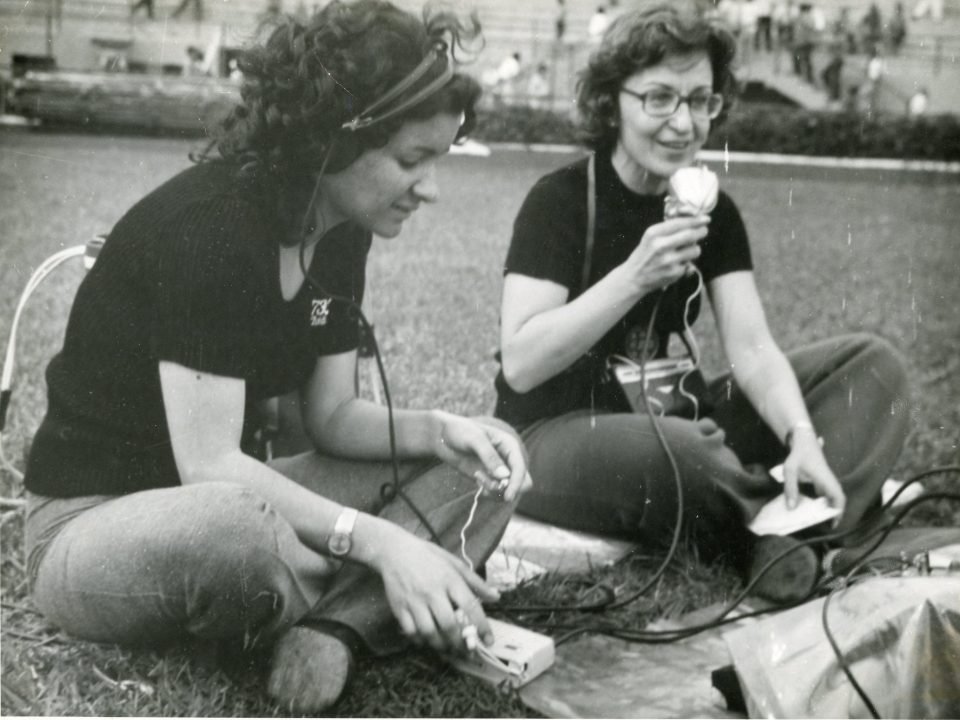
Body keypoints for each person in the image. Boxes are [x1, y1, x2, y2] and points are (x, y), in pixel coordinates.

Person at [22, 1, 531, 714]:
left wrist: (440, 430)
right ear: (332, 140)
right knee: (233, 533)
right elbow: (210, 467)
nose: (430, 189)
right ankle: (382, 588)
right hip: (98, 524)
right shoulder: (212, 229)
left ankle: (333, 625)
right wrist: (382, 543)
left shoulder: (342, 225)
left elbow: (331, 416)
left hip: (249, 496)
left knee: (487, 462)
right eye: (412, 160)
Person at [494, 3, 909, 604]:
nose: (683, 123)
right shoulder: (558, 201)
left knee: (874, 367)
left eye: (700, 100)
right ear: (612, 103)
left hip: (669, 416)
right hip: (551, 433)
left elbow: (753, 348)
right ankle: (786, 530)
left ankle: (793, 522)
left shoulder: (713, 210)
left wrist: (802, 437)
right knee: (682, 451)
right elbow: (522, 362)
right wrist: (634, 276)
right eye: (659, 98)